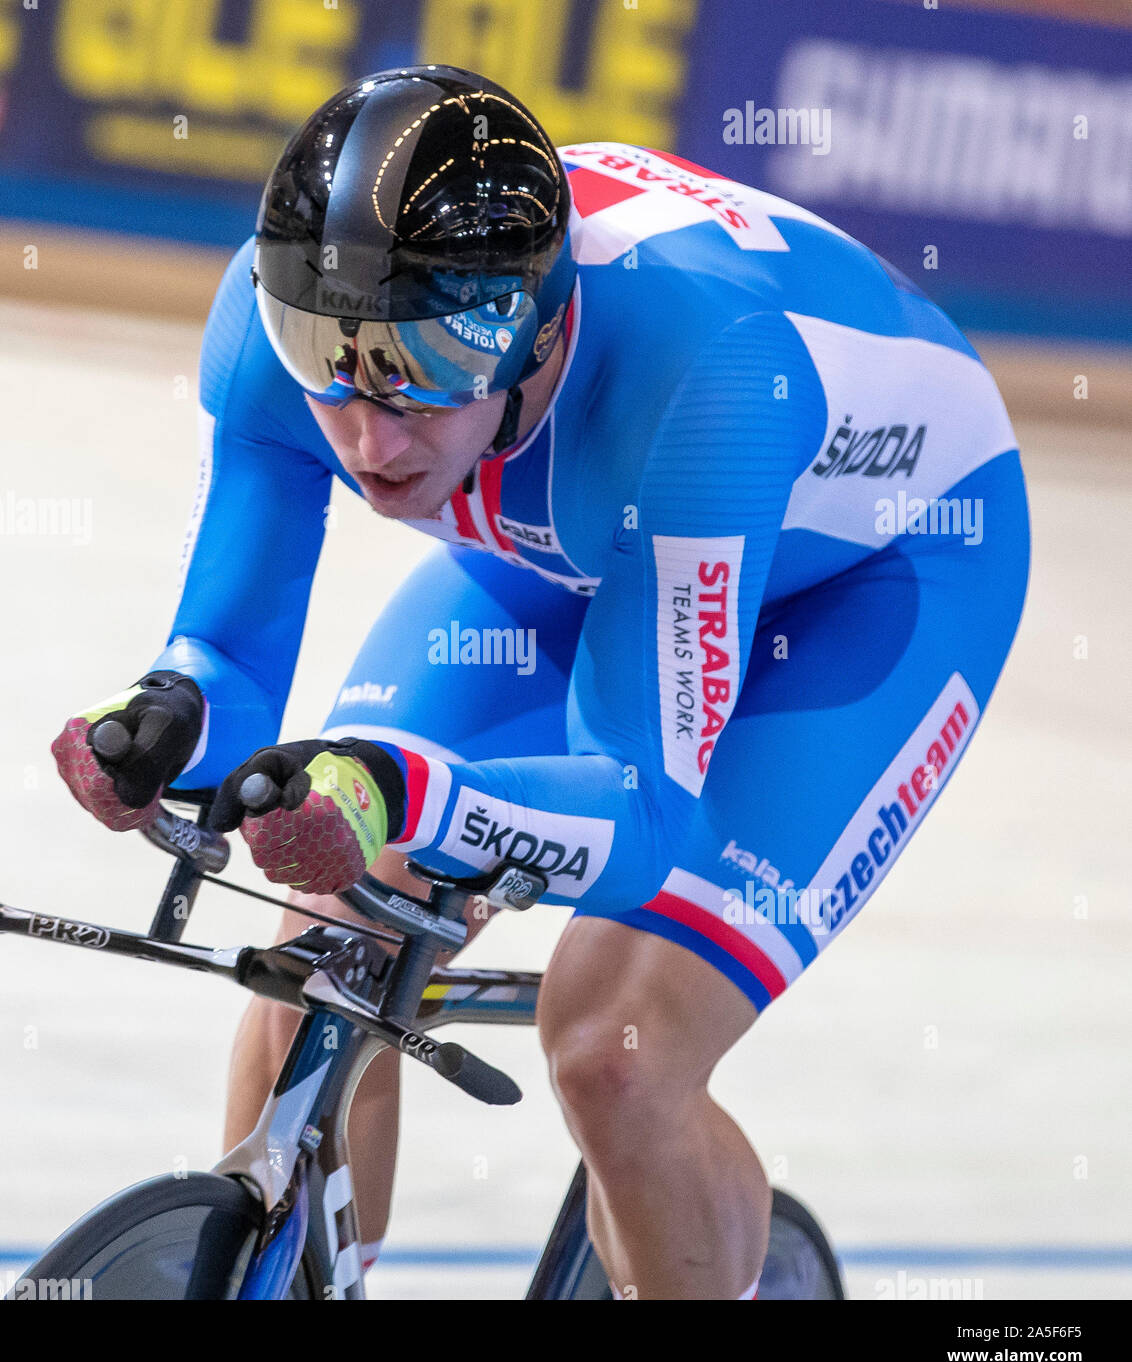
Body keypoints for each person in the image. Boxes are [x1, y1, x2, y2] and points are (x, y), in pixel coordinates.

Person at [52, 65, 1030, 1299]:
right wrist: (166, 722)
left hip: (875, 581)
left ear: (543, 331)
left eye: (424, 368)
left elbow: (637, 810)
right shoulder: (286, 317)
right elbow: (229, 656)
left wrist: (404, 794)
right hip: (589, 549)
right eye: (332, 362)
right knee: (324, 947)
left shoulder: (705, 374)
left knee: (615, 1045)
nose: (368, 432)